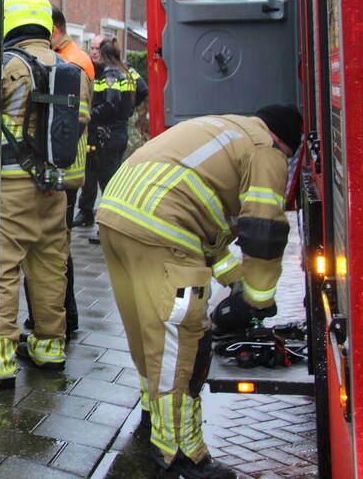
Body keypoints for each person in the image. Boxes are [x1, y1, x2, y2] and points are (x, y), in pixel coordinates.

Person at [97, 105, 301, 479]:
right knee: (182, 342)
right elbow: (263, 231)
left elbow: (209, 228)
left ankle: (153, 411)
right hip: (163, 226)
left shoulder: (225, 128)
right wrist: (256, 300)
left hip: (116, 214)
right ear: (287, 144)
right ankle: (181, 454)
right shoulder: (267, 151)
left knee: (149, 329)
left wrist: (233, 280)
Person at [0, 0, 91, 385]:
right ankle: (49, 348)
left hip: (9, 186)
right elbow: (80, 126)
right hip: (55, 187)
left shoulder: (4, 65)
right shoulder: (73, 69)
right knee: (51, 267)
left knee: (2, 269)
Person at [22, 7, 93, 341]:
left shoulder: (70, 62)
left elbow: (69, 120)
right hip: (65, 169)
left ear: (52, 30)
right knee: (55, 249)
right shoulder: (69, 57)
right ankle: (59, 320)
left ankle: (56, 320)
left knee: (52, 252)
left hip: (60, 171)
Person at [74, 36, 136, 238]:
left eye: (97, 50)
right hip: (111, 133)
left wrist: (91, 115)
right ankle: (93, 216)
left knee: (108, 179)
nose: (93, 53)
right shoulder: (121, 71)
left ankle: (110, 224)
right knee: (94, 174)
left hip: (108, 134)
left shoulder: (111, 74)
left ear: (105, 53)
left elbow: (111, 103)